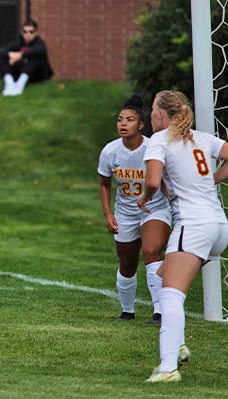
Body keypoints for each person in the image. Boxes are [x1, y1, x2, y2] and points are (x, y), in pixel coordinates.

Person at [139, 90, 228, 383]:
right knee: (165, 275)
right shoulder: (201, 138)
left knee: (171, 294)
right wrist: (210, 181)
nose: (150, 115)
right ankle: (178, 347)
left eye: (152, 110)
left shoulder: (160, 140)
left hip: (193, 226)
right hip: (218, 227)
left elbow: (151, 180)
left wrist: (144, 196)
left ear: (161, 115)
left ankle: (167, 368)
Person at [97, 95, 171, 324]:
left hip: (154, 209)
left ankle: (160, 311)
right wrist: (108, 214)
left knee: (151, 251)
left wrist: (177, 208)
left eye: (129, 120)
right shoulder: (110, 152)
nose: (123, 124)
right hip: (125, 213)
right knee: (127, 264)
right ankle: (127, 310)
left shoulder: (154, 148)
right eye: (120, 119)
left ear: (141, 125)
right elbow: (104, 184)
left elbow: (166, 181)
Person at [0, 19, 53, 96]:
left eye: (31, 32)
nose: (28, 34)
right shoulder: (19, 42)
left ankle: (19, 86)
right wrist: (10, 54)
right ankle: (9, 84)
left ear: (36, 32)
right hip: (20, 72)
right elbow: (1, 50)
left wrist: (20, 55)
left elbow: (38, 50)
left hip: (37, 75)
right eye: (25, 32)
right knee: (4, 57)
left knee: (33, 58)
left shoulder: (40, 43)